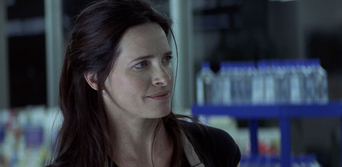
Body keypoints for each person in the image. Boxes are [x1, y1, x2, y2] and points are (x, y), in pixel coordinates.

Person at [46, 0, 241, 166]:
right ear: (94, 79)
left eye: (166, 59)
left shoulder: (216, 148)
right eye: (141, 65)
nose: (163, 78)